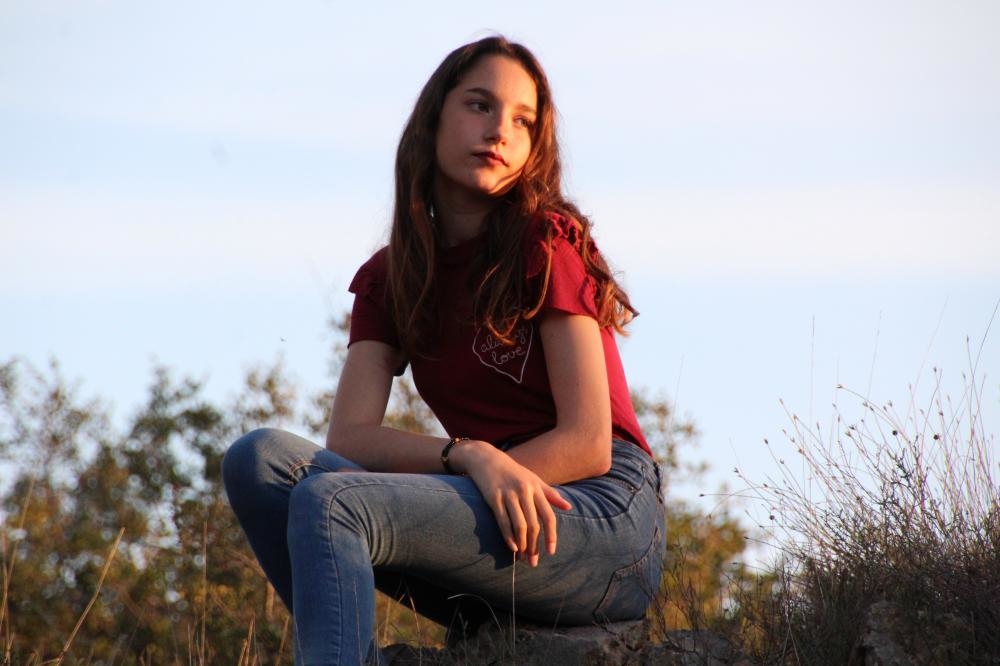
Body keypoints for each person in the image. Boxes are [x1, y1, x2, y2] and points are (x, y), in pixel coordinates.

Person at [222, 35, 665, 665]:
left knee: (333, 501)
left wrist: (486, 473)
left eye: (523, 121)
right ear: (433, 120)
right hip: (492, 511)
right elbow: (350, 438)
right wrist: (470, 456)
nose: (500, 131)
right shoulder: (391, 277)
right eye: (480, 105)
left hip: (600, 514)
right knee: (259, 460)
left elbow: (588, 442)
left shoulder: (546, 242)